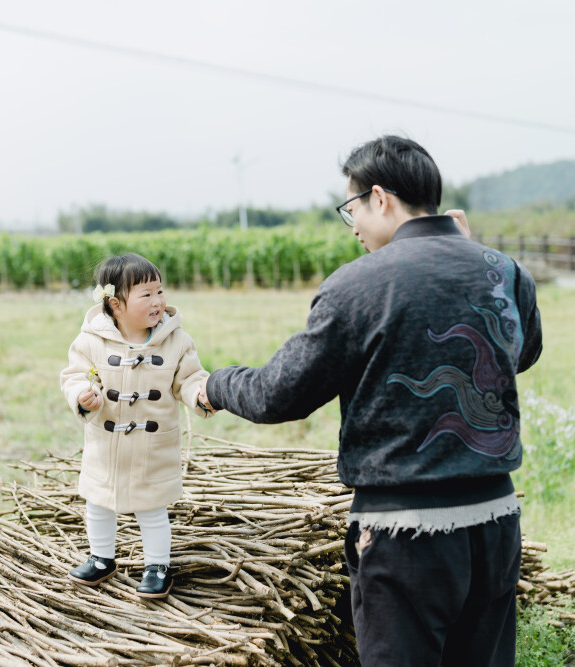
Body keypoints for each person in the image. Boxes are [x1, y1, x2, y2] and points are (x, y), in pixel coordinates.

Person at [198, 135, 542, 666]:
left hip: (405, 536)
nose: (353, 225)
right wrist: (471, 262)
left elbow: (278, 395)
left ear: (379, 198)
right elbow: (520, 354)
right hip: (496, 519)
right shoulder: (504, 271)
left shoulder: (356, 286)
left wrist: (214, 385)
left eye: (350, 208)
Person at [60, 252, 212, 599]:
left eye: (160, 291)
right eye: (146, 294)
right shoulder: (91, 340)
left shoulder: (176, 341)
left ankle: (157, 565)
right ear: (115, 303)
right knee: (98, 503)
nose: (158, 301)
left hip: (152, 447)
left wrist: (200, 394)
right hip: (105, 444)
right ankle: (102, 558)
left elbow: (188, 379)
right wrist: (84, 394)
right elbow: (75, 376)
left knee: (152, 508)